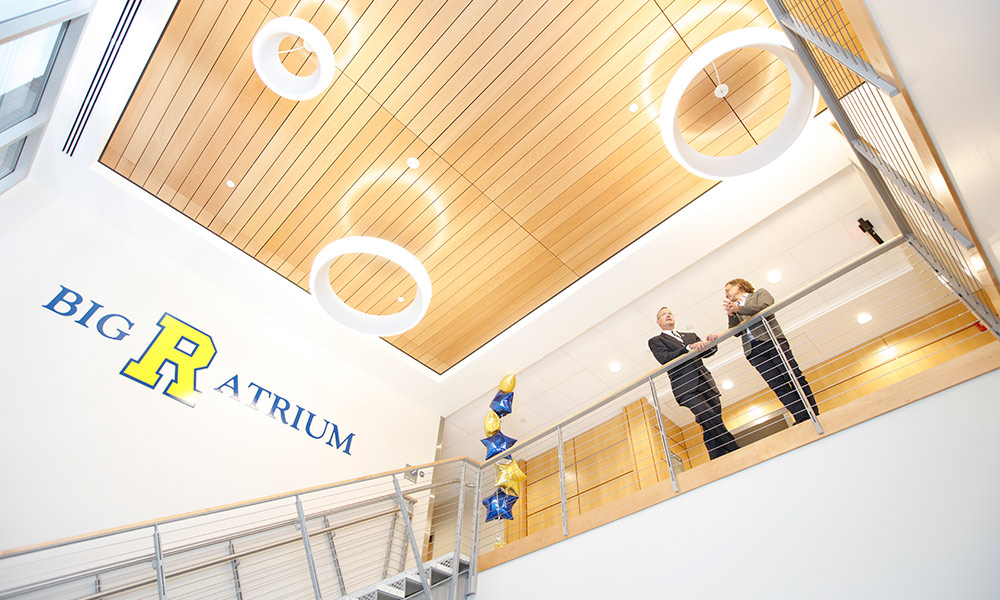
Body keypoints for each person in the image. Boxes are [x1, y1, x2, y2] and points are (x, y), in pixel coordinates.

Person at [711, 278, 819, 424]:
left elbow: (766, 306)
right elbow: (736, 332)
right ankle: (802, 417)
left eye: (727, 290)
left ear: (739, 286)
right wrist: (731, 315)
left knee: (793, 374)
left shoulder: (758, 294)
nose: (726, 295)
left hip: (772, 340)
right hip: (753, 350)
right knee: (777, 385)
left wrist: (739, 309)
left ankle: (813, 412)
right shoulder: (734, 307)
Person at [648, 307, 739, 460]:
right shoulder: (656, 341)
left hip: (706, 382)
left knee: (709, 422)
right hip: (686, 388)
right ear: (659, 322)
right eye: (664, 315)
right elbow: (665, 358)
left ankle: (717, 459)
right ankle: (734, 449)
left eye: (670, 313)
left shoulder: (690, 336)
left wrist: (712, 344)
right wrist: (687, 348)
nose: (668, 315)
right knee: (708, 415)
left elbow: (706, 353)